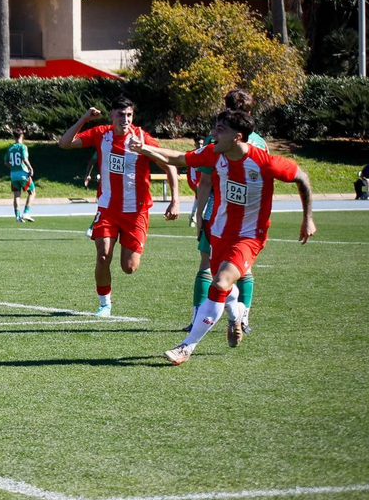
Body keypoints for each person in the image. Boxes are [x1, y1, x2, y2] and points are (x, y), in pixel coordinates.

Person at [129, 108, 315, 364]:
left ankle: (186, 347)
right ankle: (235, 317)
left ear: (238, 137)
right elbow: (180, 158)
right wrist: (144, 150)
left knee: (219, 284)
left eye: (220, 130)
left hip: (249, 237)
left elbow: (302, 178)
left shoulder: (265, 163)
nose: (213, 133)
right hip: (219, 231)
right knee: (225, 289)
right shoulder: (216, 153)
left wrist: (308, 219)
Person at [57, 98, 179, 316]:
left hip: (136, 211)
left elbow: (169, 165)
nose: (125, 119)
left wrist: (175, 200)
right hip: (108, 208)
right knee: (103, 255)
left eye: (129, 115)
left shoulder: (142, 138)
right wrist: (85, 118)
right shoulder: (101, 134)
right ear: (112, 115)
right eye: (121, 114)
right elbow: (64, 143)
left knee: (129, 267)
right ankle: (105, 304)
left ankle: (126, 258)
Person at [186, 89, 265, 330]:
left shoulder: (216, 141)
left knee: (206, 264)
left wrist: (199, 214)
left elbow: (206, 181)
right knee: (244, 267)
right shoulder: (260, 142)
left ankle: (197, 319)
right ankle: (244, 317)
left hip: (219, 210)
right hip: (249, 214)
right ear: (249, 114)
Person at [6, 128, 36, 223]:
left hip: (13, 174)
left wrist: (13, 167)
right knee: (32, 192)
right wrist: (30, 168)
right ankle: (26, 213)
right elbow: (25, 158)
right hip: (23, 174)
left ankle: (17, 217)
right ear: (22, 136)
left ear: (13, 136)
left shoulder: (10, 148)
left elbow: (6, 162)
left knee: (16, 195)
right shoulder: (22, 147)